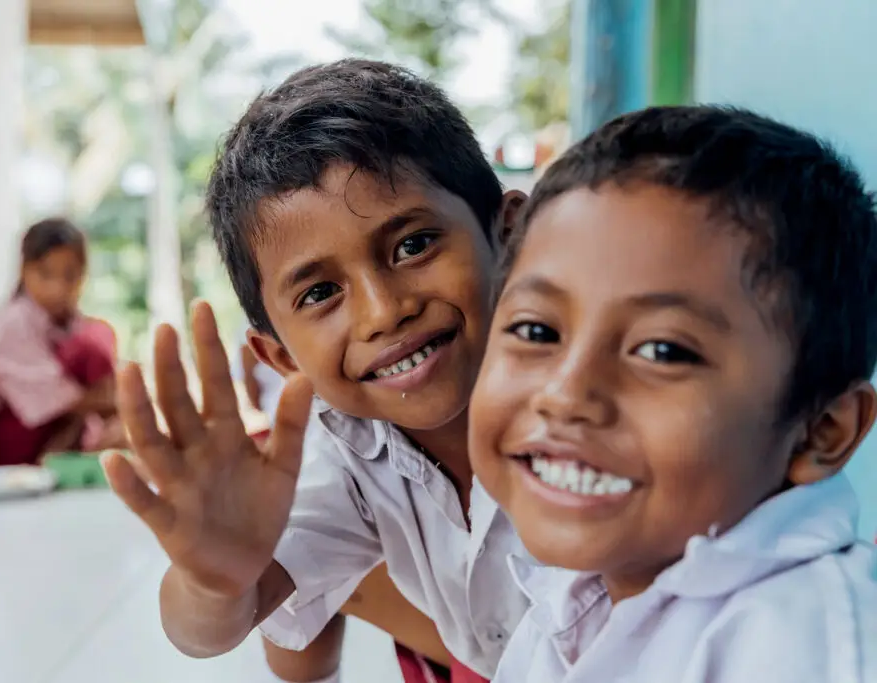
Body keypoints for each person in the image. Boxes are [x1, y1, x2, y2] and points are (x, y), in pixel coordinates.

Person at [102, 60, 530, 683]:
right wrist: (215, 582)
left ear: (512, 237)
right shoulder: (348, 452)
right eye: (321, 292)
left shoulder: (596, 406)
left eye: (413, 245)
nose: (384, 312)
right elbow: (207, 631)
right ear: (280, 357)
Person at [468, 105, 877, 683]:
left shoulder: (805, 640)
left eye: (663, 351)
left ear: (822, 429)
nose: (566, 394)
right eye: (537, 331)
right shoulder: (578, 593)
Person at [0, 217, 124, 467]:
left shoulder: (75, 325)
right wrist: (120, 404)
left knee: (96, 338)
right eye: (46, 274)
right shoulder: (13, 322)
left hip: (52, 433)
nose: (58, 288)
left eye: (70, 275)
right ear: (25, 271)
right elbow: (60, 400)